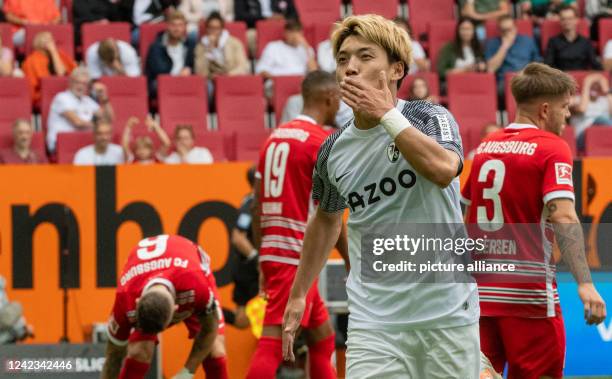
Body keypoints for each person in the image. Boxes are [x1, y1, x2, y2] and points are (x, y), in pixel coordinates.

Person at [282, 15, 481, 378]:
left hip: (448, 315)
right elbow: (326, 218)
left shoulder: (429, 116)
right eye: (343, 59)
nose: (351, 68)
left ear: (395, 69)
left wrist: (385, 114)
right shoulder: (332, 150)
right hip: (374, 325)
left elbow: (444, 169)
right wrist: (299, 293)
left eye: (365, 56)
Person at [462, 62, 607, 379]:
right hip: (528, 294)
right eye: (565, 108)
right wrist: (584, 283)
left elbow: (463, 213)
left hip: (481, 292)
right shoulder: (552, 147)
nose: (567, 116)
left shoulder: (487, 147)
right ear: (545, 109)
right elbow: (563, 214)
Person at [246, 70, 349, 379]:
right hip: (297, 254)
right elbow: (330, 213)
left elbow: (257, 205)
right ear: (329, 98)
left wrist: (262, 257)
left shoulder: (273, 138)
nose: (340, 105)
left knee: (323, 338)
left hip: (276, 252)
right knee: (272, 342)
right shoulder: (321, 142)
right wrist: (349, 260)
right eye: (339, 99)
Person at [101, 234, 228, 379]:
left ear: (176, 309)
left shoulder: (196, 284)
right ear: (137, 304)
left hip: (188, 270)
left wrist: (187, 372)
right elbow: (112, 358)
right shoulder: (125, 297)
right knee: (138, 351)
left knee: (215, 350)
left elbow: (210, 328)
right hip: (153, 276)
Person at [222, 165, 260, 329]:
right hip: (252, 271)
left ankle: (208, 310)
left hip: (246, 269)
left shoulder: (252, 201)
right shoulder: (251, 204)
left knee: (242, 321)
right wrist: (256, 258)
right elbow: (238, 237)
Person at [46, 67, 114, 153]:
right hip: (61, 144)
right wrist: (98, 127)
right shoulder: (62, 98)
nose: (80, 86)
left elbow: (108, 120)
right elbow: (78, 123)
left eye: (84, 84)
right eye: (77, 82)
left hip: (82, 143)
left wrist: (104, 99)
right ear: (70, 82)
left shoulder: (87, 100)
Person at [255, 19, 317, 96]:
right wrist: (279, 80)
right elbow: (261, 70)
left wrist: (305, 46)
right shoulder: (273, 47)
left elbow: (314, 73)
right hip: (278, 83)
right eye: (291, 32)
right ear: (285, 33)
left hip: (300, 85)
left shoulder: (307, 49)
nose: (294, 35)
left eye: (297, 32)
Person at [485, 15, 541, 95]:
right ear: (499, 31)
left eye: (509, 29)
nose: (507, 33)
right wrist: (504, 46)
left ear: (515, 28)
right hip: (505, 82)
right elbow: (491, 69)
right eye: (503, 30)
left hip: (527, 78)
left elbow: (538, 64)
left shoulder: (527, 40)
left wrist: (526, 72)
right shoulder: (492, 43)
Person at [145, 10, 195, 97]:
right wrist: (177, 77)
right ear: (167, 26)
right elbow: (158, 71)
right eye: (173, 25)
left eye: (180, 25)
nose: (177, 29)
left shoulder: (190, 44)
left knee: (205, 86)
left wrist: (189, 69)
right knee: (157, 84)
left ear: (184, 27)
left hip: (185, 82)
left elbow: (194, 66)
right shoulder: (156, 46)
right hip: (164, 82)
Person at [22, 31, 77, 105]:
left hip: (65, 89)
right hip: (44, 94)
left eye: (51, 39)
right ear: (38, 42)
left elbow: (63, 73)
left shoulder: (60, 55)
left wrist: (53, 52)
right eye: (45, 39)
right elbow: (34, 86)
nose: (49, 42)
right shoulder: (32, 60)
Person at [194, 11, 249, 79]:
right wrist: (208, 49)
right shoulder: (201, 46)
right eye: (211, 28)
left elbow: (243, 67)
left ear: (222, 29)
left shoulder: (234, 43)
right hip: (212, 80)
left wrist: (227, 76)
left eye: (217, 28)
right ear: (207, 29)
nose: (214, 31)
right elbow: (200, 72)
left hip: (232, 78)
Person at [545, 5, 602, 71]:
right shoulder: (553, 42)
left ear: (576, 20)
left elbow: (595, 64)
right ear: (560, 21)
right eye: (563, 19)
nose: (566, 21)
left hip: (581, 79)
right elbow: (548, 65)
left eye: (570, 18)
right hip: (561, 79)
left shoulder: (586, 42)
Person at [570, 72, 612, 150]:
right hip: (581, 139)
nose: (595, 88)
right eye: (592, 86)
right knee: (601, 119)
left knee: (604, 119)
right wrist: (587, 83)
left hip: (601, 137)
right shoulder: (577, 100)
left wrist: (605, 87)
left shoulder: (604, 100)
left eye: (597, 85)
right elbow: (582, 109)